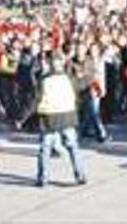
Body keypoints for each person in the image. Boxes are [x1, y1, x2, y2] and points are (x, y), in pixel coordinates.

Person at [34, 54, 86, 187]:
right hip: (67, 115)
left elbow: (36, 100)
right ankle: (80, 175)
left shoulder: (44, 79)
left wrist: (21, 118)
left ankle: (43, 178)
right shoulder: (69, 78)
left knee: (45, 148)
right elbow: (77, 94)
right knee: (73, 146)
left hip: (49, 117)